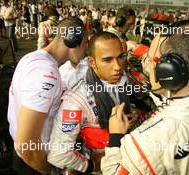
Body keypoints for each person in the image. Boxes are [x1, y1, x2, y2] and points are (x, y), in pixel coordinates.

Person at [101, 21, 189, 175]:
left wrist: (115, 137)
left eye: (150, 60)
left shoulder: (145, 143)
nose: (146, 67)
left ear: (169, 69)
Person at [48, 32, 139, 174]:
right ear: (92, 63)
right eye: (107, 60)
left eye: (121, 57)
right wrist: (91, 166)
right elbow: (58, 153)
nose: (117, 66)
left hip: (128, 160)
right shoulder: (76, 101)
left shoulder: (123, 79)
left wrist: (132, 113)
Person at [7, 17, 87, 175]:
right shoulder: (47, 74)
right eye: (85, 43)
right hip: (33, 162)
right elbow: (27, 145)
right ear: (72, 41)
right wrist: (48, 171)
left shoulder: (31, 58)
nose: (86, 49)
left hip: (23, 157)